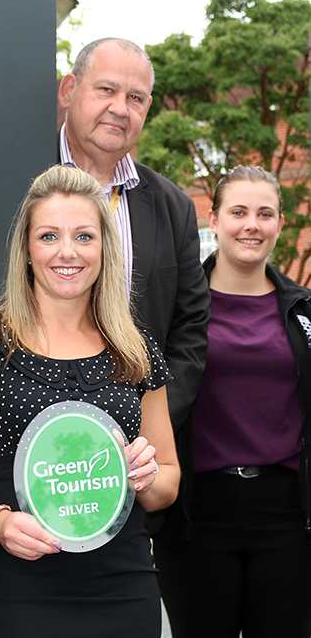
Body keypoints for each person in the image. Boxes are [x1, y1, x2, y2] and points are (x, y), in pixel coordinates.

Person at [0, 165, 180, 638]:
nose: (68, 252)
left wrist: (147, 479)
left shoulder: (136, 347)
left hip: (125, 591)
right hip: (15, 591)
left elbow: (168, 479)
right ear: (26, 248)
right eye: (49, 236)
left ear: (105, 248)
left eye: (84, 236)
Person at [153, 166, 311, 638]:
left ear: (280, 224)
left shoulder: (303, 311)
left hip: (286, 516)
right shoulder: (177, 309)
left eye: (265, 214)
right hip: (197, 512)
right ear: (213, 219)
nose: (252, 225)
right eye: (238, 212)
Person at [57, 37, 209, 437]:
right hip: (26, 432)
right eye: (106, 89)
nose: (120, 109)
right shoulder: (16, 176)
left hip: (136, 453)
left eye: (136, 98)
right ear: (69, 90)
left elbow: (189, 331)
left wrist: (146, 429)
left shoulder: (174, 207)